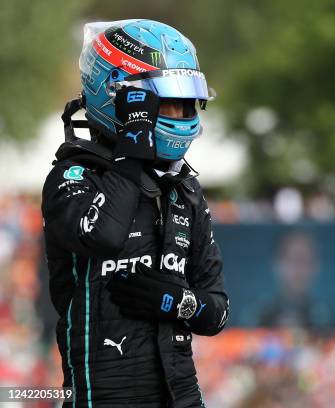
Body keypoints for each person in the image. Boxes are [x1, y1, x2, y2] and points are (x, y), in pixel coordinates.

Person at [41, 19, 229, 407]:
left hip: (183, 397)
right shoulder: (71, 177)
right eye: (167, 102)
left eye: (188, 103)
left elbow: (218, 311)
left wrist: (176, 303)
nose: (181, 114)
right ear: (119, 98)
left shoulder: (184, 189)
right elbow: (102, 236)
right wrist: (130, 154)